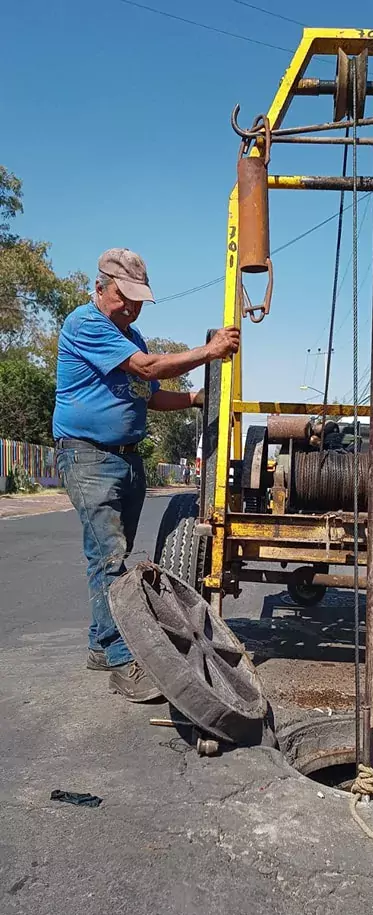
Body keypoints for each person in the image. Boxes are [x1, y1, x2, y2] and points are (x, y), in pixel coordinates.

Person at [53, 248, 239, 702]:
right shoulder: (86, 324)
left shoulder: (130, 334)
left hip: (126, 458)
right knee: (109, 556)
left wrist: (195, 401)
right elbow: (147, 368)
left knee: (114, 555)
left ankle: (103, 645)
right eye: (124, 297)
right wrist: (210, 352)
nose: (132, 307)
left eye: (138, 299)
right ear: (100, 289)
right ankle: (120, 659)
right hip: (88, 455)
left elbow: (150, 395)